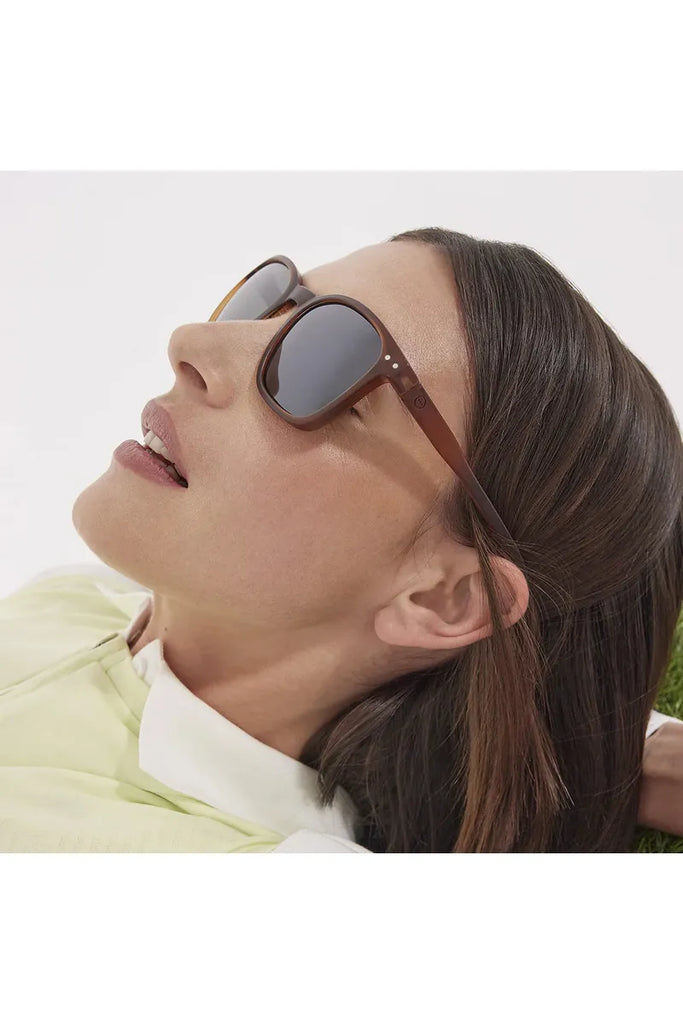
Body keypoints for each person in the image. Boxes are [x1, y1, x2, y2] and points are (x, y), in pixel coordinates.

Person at [1, 227, 682, 853]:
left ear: (445, 598)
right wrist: (624, 743)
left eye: (325, 366)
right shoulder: (83, 600)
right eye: (268, 305)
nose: (193, 343)